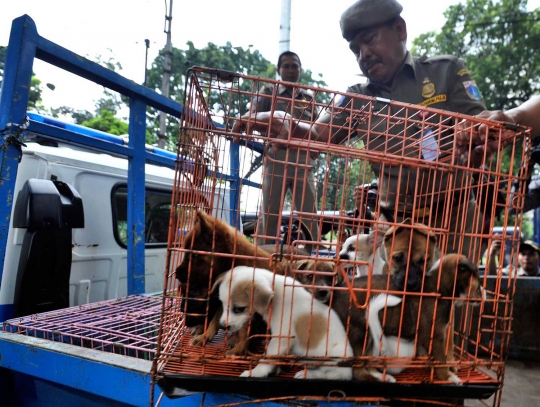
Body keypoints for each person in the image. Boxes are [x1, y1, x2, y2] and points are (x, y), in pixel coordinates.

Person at [233, 0, 495, 260]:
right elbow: (316, 133)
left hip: (455, 220)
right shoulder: (357, 99)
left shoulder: (445, 72)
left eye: (370, 40)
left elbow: (484, 129)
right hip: (393, 228)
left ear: (400, 30)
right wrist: (285, 122)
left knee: (454, 298)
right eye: (356, 50)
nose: (364, 54)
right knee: (391, 300)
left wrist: (475, 143)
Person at [251, 51, 319, 247]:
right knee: (269, 215)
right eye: (287, 66)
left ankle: (312, 259)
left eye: (295, 66)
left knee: (309, 216)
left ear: (300, 69)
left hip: (303, 163)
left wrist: (316, 149)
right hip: (276, 160)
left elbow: (317, 129)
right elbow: (252, 114)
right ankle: (261, 257)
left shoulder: (309, 97)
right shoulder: (267, 93)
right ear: (279, 69)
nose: (291, 70)